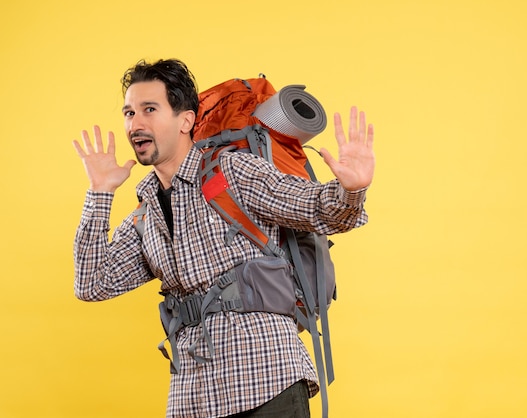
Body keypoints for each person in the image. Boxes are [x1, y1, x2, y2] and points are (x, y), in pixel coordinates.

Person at [72, 58, 375, 418]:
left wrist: (351, 189)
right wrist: (100, 193)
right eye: (128, 113)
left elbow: (319, 209)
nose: (134, 124)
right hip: (192, 399)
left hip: (266, 380)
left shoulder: (232, 170)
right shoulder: (146, 213)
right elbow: (92, 283)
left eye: (149, 109)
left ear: (185, 120)